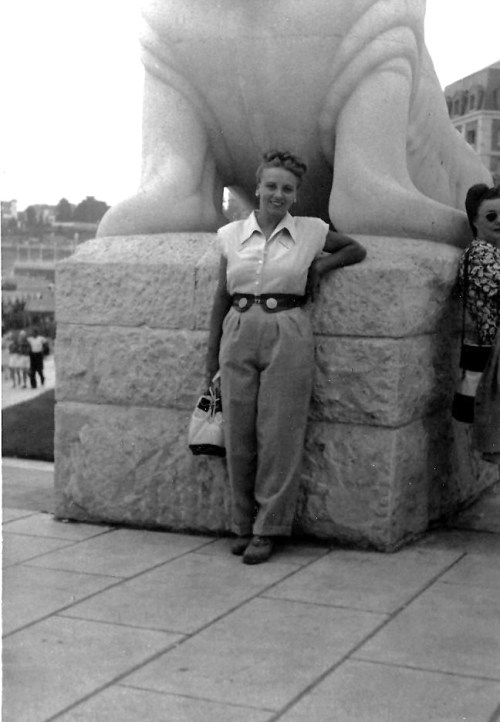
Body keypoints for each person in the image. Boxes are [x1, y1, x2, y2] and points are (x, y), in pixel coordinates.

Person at [205, 150, 366, 564]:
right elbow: (221, 298)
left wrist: (322, 267)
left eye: (287, 189)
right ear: (257, 188)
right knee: (238, 432)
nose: (278, 194)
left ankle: (267, 529)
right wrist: (211, 362)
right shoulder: (230, 235)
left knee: (279, 433)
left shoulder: (311, 231)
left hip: (288, 328)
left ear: (295, 195)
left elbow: (355, 249)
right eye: (271, 186)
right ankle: (242, 523)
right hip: (238, 328)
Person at [457, 183, 500, 464]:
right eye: (491, 216)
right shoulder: (481, 254)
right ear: (474, 220)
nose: (499, 222)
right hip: (493, 356)